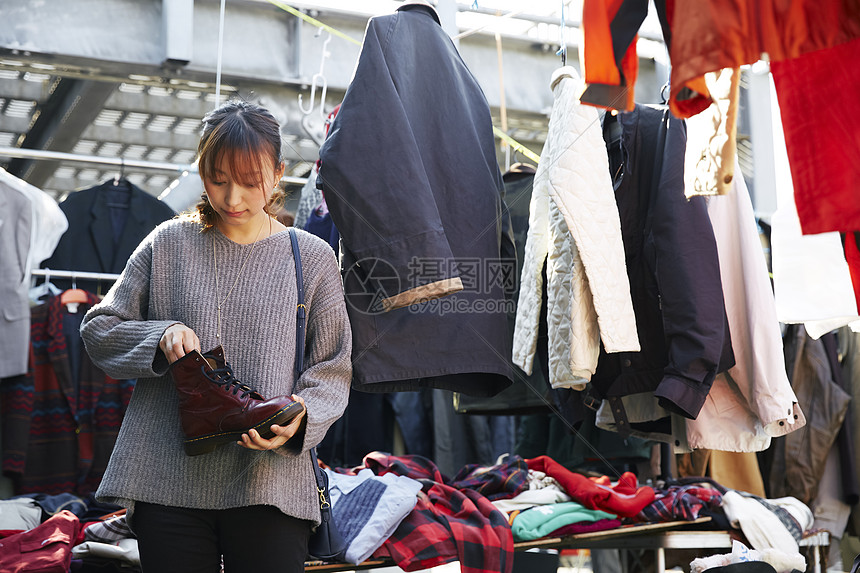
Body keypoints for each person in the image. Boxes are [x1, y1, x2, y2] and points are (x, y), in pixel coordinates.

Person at [80, 100, 352, 573]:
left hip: (269, 480)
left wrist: (303, 417)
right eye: (218, 178)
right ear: (201, 169)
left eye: (250, 181)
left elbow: (333, 367)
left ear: (279, 172)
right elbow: (99, 330)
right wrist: (158, 335)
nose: (232, 198)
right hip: (166, 479)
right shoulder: (167, 243)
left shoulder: (311, 257)